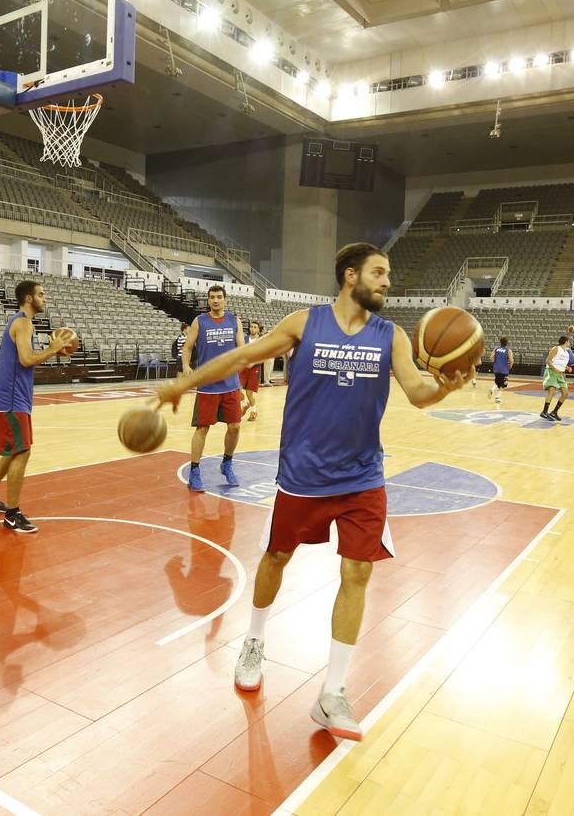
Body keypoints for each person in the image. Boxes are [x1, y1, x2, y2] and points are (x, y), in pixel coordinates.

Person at [155, 243, 468, 741]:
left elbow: (417, 393)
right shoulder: (304, 323)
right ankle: (254, 642)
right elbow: (242, 355)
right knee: (277, 557)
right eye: (380, 273)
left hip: (363, 475)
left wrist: (447, 386)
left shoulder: (391, 335)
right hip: (303, 473)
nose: (389, 282)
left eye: (390, 274)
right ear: (351, 276)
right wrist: (184, 383)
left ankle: (333, 692)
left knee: (358, 570)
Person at [0, 280, 76, 533]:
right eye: (41, 295)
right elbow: (26, 359)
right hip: (10, 400)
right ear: (29, 299)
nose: (45, 298)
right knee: (22, 452)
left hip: (13, 398)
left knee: (14, 449)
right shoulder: (23, 323)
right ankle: (12, 514)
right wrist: (52, 350)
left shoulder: (22, 323)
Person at [182, 286, 246, 492]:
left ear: (225, 300)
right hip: (208, 386)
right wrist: (185, 365)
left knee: (235, 426)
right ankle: (194, 471)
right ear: (208, 300)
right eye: (212, 297)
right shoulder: (199, 321)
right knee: (202, 428)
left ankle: (227, 462)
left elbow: (243, 350)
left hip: (230, 384)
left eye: (219, 297)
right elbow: (188, 347)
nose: (216, 300)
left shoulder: (234, 321)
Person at [541, 335, 571, 421]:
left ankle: (554, 412)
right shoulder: (556, 348)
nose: (569, 343)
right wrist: (555, 369)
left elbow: (561, 363)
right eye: (568, 341)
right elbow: (548, 360)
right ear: (566, 341)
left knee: (565, 393)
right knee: (552, 391)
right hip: (551, 371)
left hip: (560, 374)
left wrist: (567, 368)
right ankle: (544, 412)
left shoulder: (566, 352)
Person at [239, 320, 264, 420]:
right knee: (237, 389)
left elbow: (264, 356)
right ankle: (245, 404)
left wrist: (253, 363)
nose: (252, 329)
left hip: (255, 368)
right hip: (243, 368)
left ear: (258, 329)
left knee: (249, 393)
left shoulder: (261, 340)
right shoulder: (244, 339)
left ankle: (254, 411)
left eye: (255, 327)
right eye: (251, 327)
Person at [489, 336, 514, 404]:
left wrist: (496, 362)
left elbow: (491, 358)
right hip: (504, 369)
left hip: (496, 369)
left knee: (498, 382)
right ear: (507, 343)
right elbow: (511, 360)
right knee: (504, 384)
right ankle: (497, 398)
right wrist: (510, 366)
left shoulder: (496, 349)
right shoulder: (508, 350)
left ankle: (492, 389)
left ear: (500, 342)